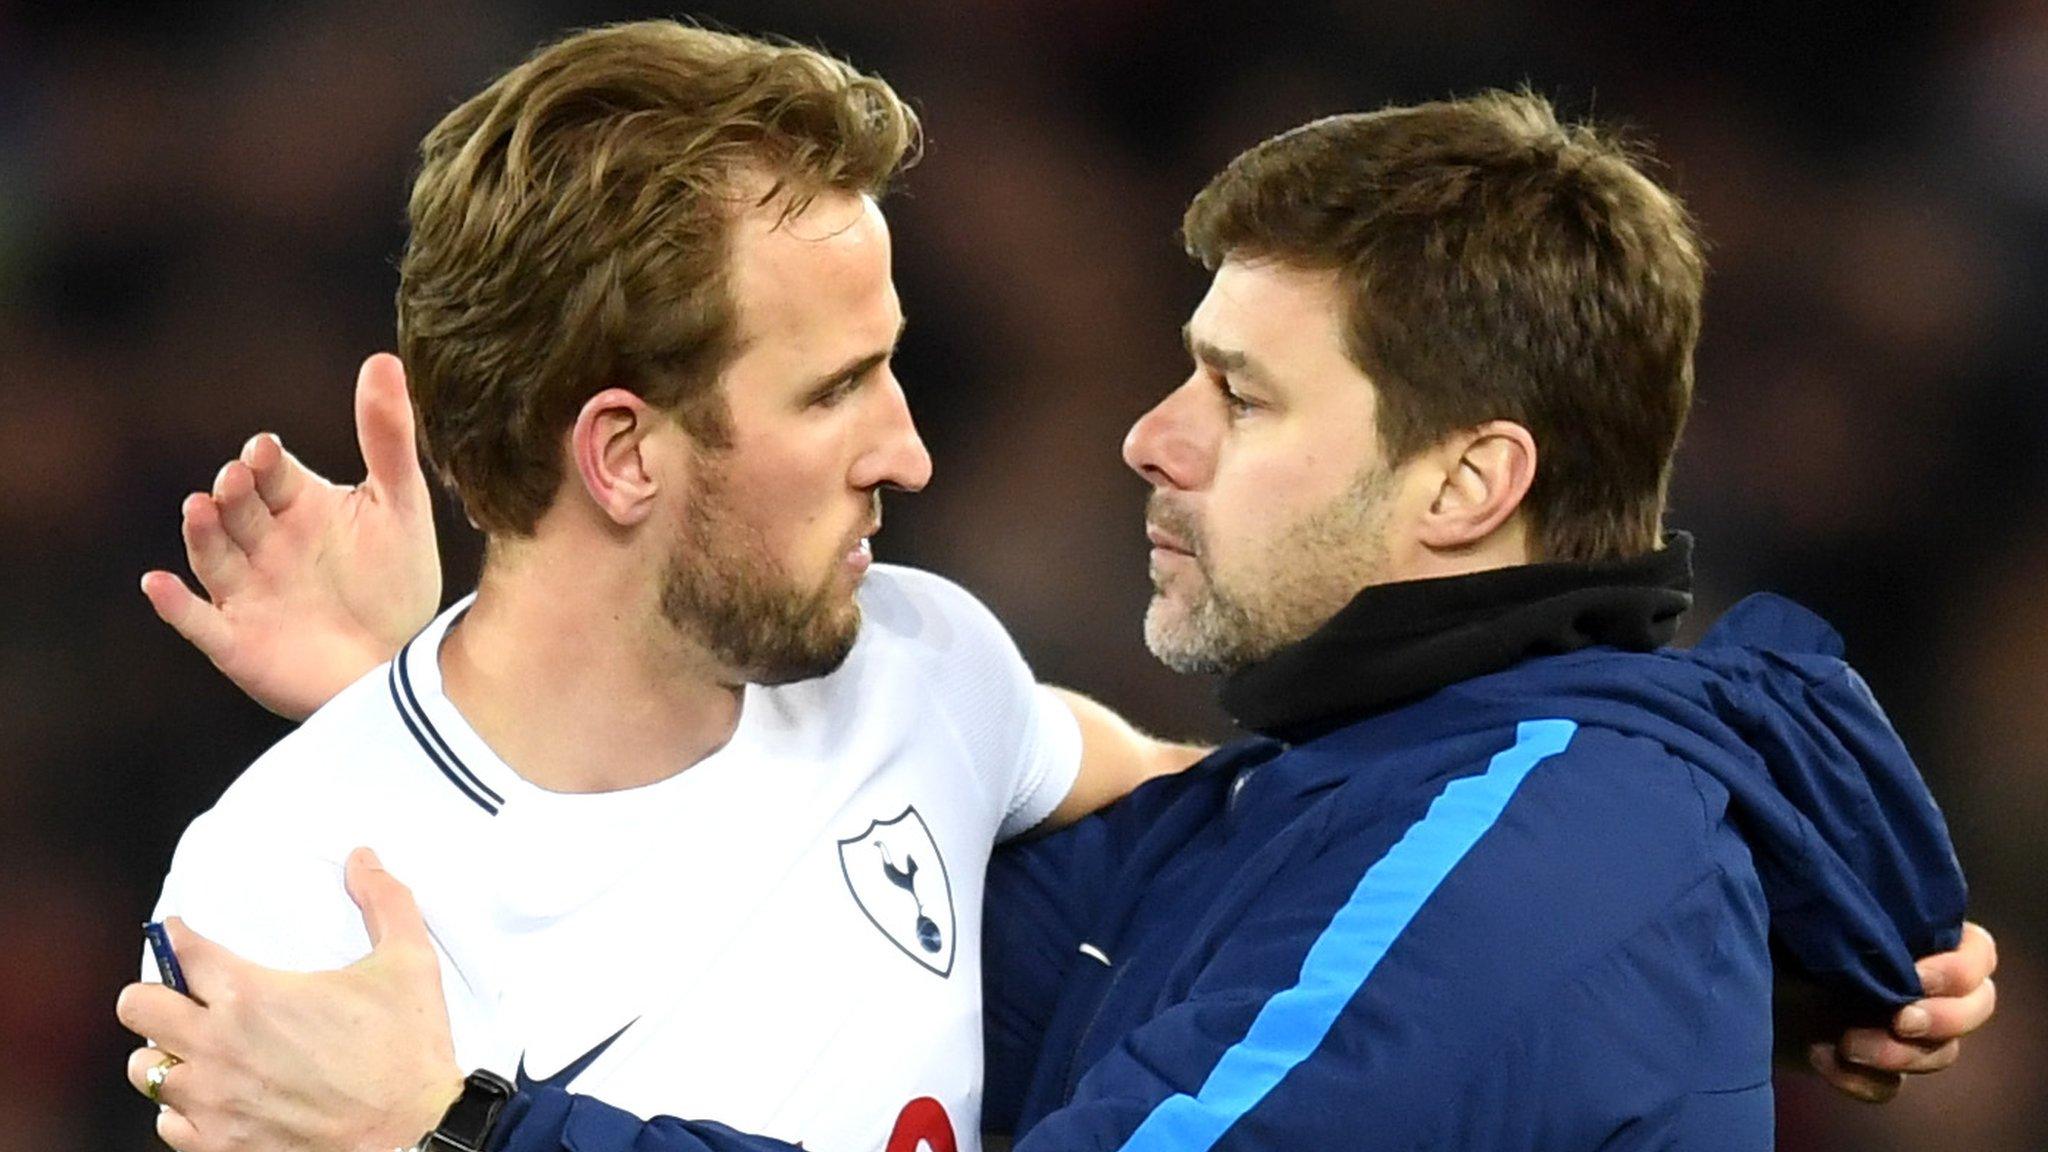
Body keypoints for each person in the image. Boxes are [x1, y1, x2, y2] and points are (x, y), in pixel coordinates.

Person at [117, 82, 2001, 1152]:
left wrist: (460, 1129)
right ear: (618, 455)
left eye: (1242, 395)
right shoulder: (1276, 797)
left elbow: (1429, 963)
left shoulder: (1500, 855)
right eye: (839, 382)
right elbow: (1113, 877)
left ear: (1464, 484)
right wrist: (416, 717)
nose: (1143, 435)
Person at [126, 22, 1199, 1152]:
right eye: (837, 389)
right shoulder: (288, 888)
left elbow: (1237, 816)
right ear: (625, 455)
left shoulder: (931, 663)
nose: (906, 452)